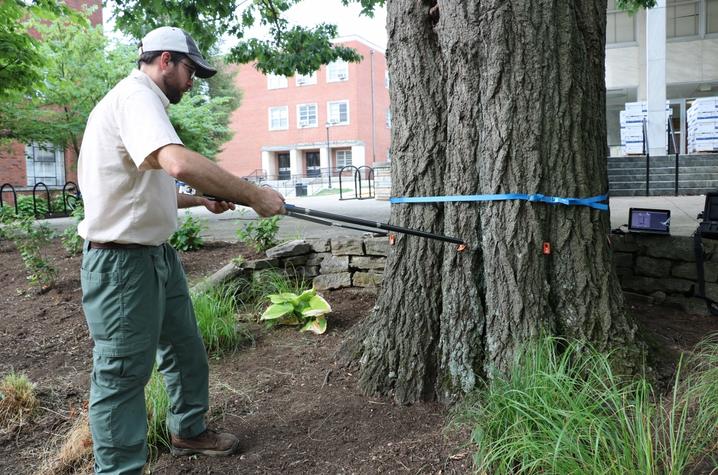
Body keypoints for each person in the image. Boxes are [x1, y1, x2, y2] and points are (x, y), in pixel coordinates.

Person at [77, 26, 285, 474]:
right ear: (166, 60)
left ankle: (188, 430)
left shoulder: (143, 104)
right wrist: (253, 194)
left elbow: (149, 185)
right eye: (191, 70)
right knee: (121, 377)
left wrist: (202, 199)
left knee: (185, 348)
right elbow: (177, 162)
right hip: (121, 265)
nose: (193, 81)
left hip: (155, 256)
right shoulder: (136, 98)